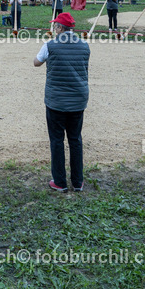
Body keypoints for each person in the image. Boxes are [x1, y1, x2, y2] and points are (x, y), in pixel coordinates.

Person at [33, 12, 90, 193]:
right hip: (78, 99)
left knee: (57, 140)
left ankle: (59, 181)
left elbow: (36, 62)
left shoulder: (50, 45)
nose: (54, 28)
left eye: (55, 26)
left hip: (56, 100)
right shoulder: (84, 45)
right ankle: (78, 182)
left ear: (60, 28)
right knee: (75, 139)